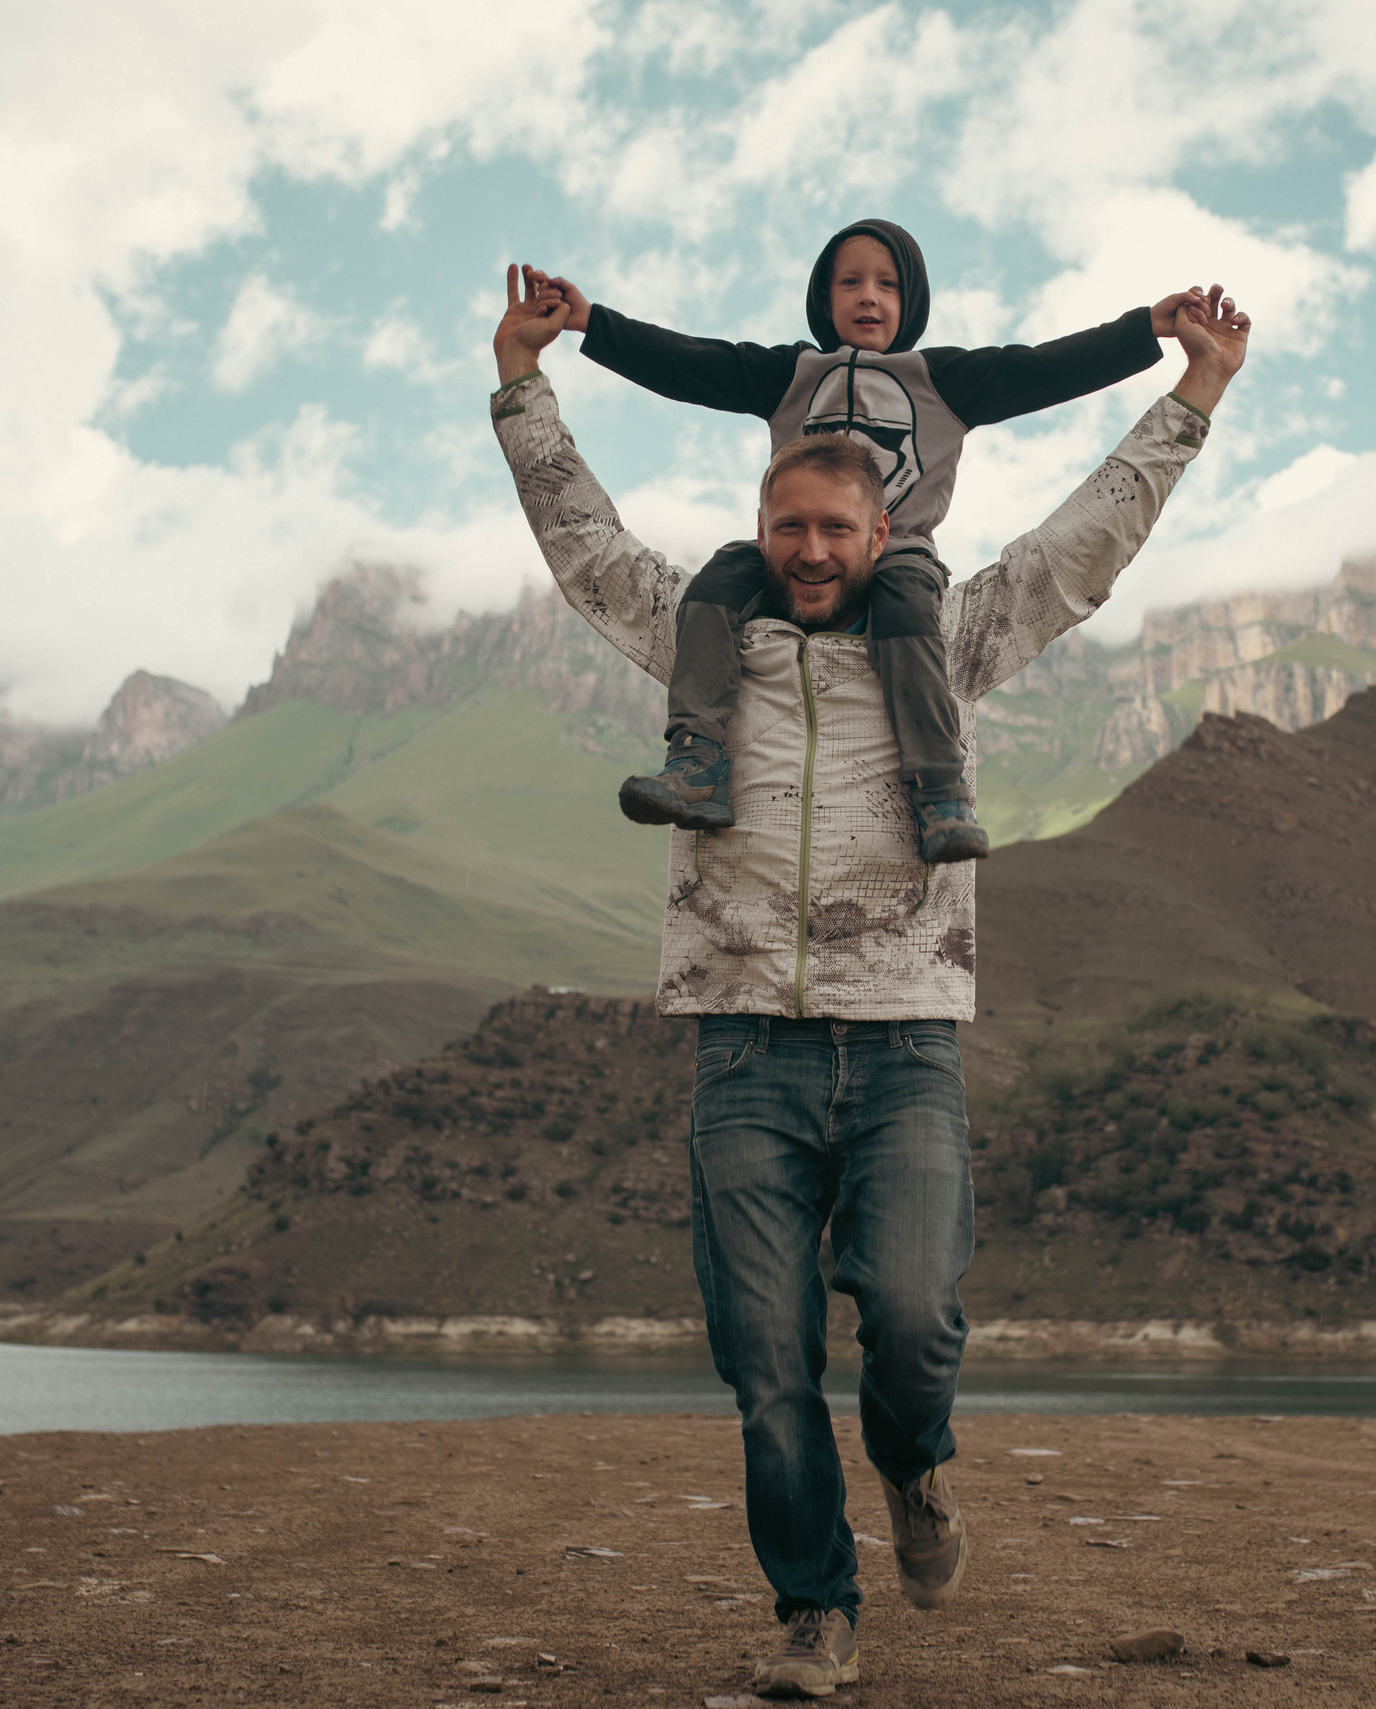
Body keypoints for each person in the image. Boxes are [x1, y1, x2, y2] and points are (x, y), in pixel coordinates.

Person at [487, 264, 1249, 1700]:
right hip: (742, 1051)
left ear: (883, 530)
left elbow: (1083, 542)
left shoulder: (947, 641)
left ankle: (912, 1463)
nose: (811, 549)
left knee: (910, 1318)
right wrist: (525, 384)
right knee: (765, 1363)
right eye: (789, 526)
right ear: (760, 528)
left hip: (904, 1044)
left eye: (837, 527)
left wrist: (1192, 393)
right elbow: (584, 541)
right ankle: (813, 1611)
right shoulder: (705, 636)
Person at [524, 221, 1212, 863]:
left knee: (910, 613)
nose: (868, 296)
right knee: (717, 579)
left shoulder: (943, 379)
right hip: (791, 559)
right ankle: (698, 761)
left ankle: (939, 789)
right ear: (824, 299)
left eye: (887, 283)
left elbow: (1043, 367)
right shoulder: (791, 374)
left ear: (910, 301)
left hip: (899, 555)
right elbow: (692, 362)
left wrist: (1146, 328)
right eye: (849, 282)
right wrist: (592, 322)